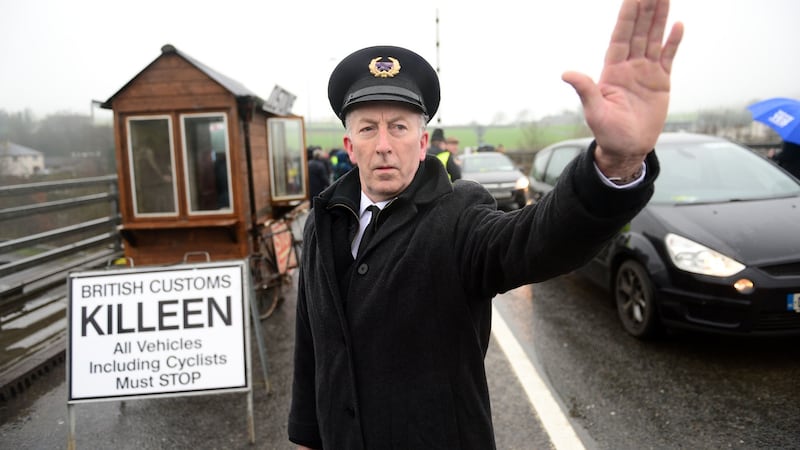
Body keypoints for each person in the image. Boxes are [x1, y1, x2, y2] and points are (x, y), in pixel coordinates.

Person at [289, 1, 683, 448]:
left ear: (422, 144)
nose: (383, 145)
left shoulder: (457, 216)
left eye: (398, 127)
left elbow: (535, 240)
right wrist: (306, 436)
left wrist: (615, 162)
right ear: (348, 143)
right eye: (367, 129)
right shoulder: (322, 224)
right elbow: (311, 344)